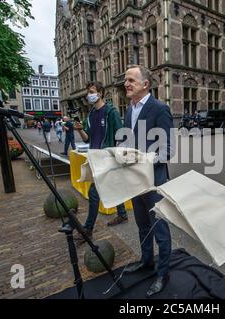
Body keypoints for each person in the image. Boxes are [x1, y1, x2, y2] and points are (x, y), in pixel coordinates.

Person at [121, 65, 173, 297]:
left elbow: (168, 150)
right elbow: (126, 142)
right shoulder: (128, 110)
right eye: (125, 80)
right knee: (142, 225)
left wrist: (144, 159)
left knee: (160, 228)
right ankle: (146, 261)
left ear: (145, 85)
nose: (126, 83)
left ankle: (163, 273)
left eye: (131, 79)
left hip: (154, 181)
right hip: (134, 181)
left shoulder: (160, 109)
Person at [74, 81, 129, 241]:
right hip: (95, 157)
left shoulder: (111, 112)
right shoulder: (91, 114)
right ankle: (123, 215)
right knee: (115, 186)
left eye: (91, 91)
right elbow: (87, 139)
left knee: (93, 192)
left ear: (100, 93)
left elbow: (122, 135)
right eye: (88, 92)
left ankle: (88, 230)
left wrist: (117, 157)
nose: (88, 95)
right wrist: (79, 130)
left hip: (108, 158)